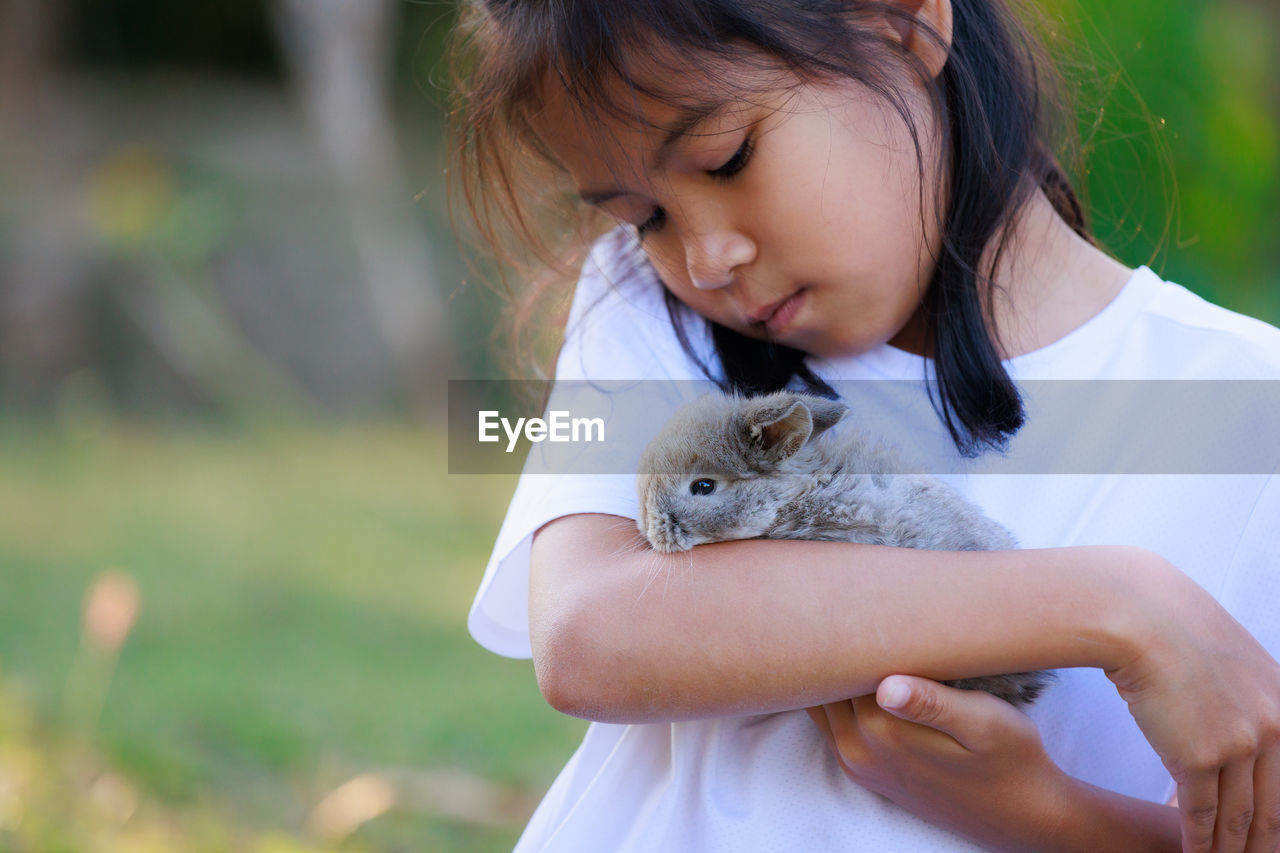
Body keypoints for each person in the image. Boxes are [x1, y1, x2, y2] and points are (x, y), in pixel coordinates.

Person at [451, 0, 1280, 850]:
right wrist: (1119, 605)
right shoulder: (649, 311)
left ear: (906, 24)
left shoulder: (1253, 410)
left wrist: (1046, 815)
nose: (704, 258)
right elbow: (591, 631)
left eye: (725, 158)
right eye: (645, 217)